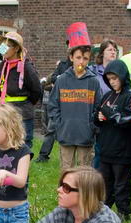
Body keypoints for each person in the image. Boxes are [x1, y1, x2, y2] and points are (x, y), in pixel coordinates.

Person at [48, 22, 102, 170]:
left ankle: (84, 194)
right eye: (78, 57)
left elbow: (99, 108)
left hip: (86, 136)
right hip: (66, 135)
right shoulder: (62, 80)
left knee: (85, 171)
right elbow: (53, 106)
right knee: (67, 170)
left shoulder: (93, 82)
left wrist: (92, 126)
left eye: (85, 58)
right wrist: (60, 125)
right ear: (71, 57)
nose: (81, 61)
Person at [93, 59, 131, 222]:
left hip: (123, 149)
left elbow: (129, 120)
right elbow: (96, 116)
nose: (112, 82)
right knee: (106, 182)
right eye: (109, 79)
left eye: (115, 78)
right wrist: (99, 117)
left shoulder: (130, 96)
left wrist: (110, 114)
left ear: (122, 77)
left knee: (122, 183)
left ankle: (124, 211)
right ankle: (105, 209)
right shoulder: (107, 95)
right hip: (106, 147)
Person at [0, 32, 42, 149]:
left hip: (22, 113)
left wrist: (25, 104)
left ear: (16, 48)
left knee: (22, 144)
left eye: (7, 46)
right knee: (6, 143)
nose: (3, 49)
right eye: (2, 45)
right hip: (4, 111)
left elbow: (37, 90)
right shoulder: (3, 64)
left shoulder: (26, 66)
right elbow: (0, 85)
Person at [34, 43, 72, 163]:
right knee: (51, 129)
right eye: (69, 45)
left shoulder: (85, 66)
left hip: (76, 103)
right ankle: (43, 155)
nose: (70, 47)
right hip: (61, 103)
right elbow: (54, 77)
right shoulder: (62, 65)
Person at [90, 39, 118, 169]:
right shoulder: (94, 72)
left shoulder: (120, 71)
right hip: (97, 115)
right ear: (102, 53)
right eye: (110, 49)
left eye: (115, 50)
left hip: (113, 115)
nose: (113, 52)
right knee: (98, 150)